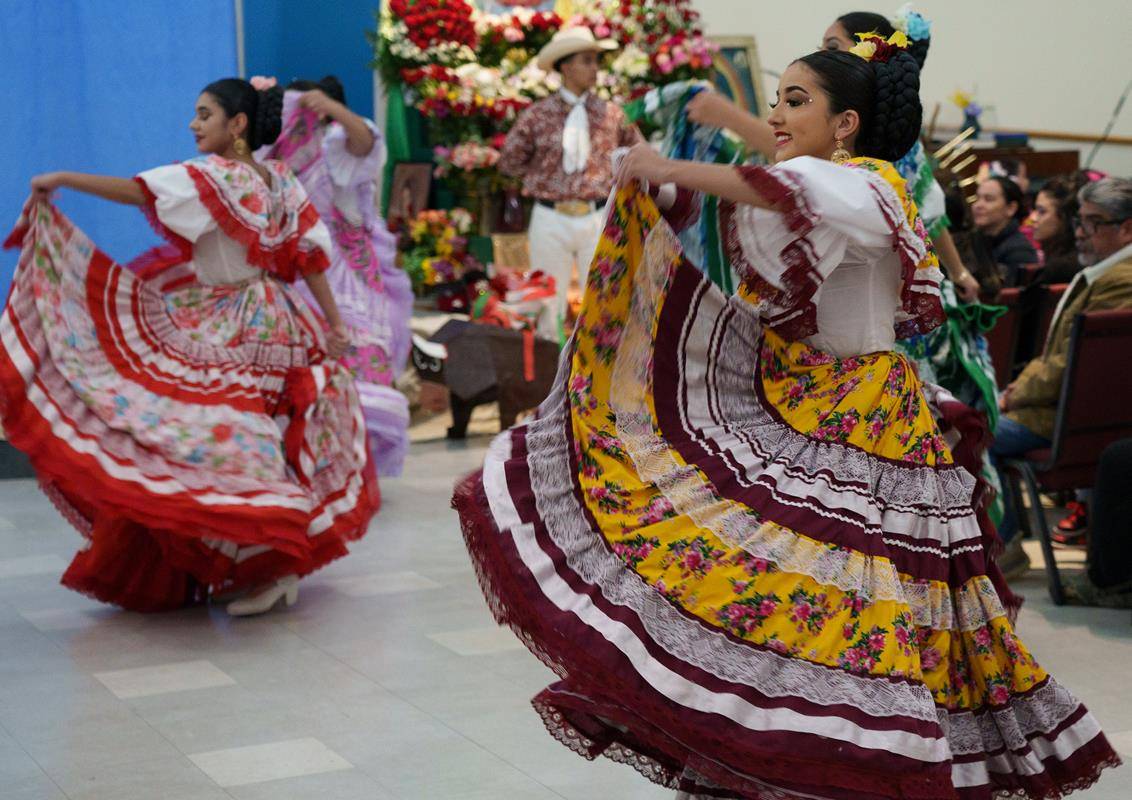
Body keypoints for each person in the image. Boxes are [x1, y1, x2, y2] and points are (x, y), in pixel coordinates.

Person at [453, 36, 1118, 799]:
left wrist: (669, 167)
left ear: (847, 123)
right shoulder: (832, 182)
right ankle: (791, 758)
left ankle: (862, 760)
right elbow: (754, 197)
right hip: (806, 397)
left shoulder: (867, 186)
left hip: (867, 420)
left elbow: (776, 190)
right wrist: (662, 184)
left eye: (794, 101)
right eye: (776, 100)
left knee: (853, 598)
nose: (776, 114)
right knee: (778, 581)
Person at [1, 78, 379, 615]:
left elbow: (140, 191)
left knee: (218, 440)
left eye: (205, 114)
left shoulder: (218, 175)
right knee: (256, 441)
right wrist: (334, 325)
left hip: (235, 320)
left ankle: (270, 566)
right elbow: (310, 258)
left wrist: (64, 178)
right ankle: (263, 563)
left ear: (238, 124)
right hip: (278, 319)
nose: (194, 124)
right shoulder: (279, 180)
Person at [258, 75, 414, 477]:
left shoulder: (340, 146)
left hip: (347, 278)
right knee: (303, 366)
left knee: (356, 359)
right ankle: (311, 455)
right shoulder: (279, 154)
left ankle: (350, 459)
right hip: (296, 274)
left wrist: (333, 110)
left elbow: (363, 139)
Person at [992, 177, 1132, 576]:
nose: (1081, 234)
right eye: (1080, 223)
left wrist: (1012, 394)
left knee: (964, 429)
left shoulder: (1120, 280)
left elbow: (1067, 364)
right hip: (1079, 414)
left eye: (1092, 224)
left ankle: (1003, 544)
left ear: (1126, 227)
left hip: (1070, 422)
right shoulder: (1107, 273)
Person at [498, 26, 643, 334]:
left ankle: (598, 377)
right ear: (565, 66)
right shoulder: (537, 115)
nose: (594, 68)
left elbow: (640, 155)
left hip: (598, 214)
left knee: (605, 300)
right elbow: (509, 161)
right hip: (551, 216)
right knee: (547, 304)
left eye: (596, 61)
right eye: (587, 61)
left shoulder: (612, 114)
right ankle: (550, 375)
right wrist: (542, 176)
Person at [971, 175, 1039, 287]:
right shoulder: (974, 240)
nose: (978, 205)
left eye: (988, 199)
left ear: (1011, 208)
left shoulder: (1020, 251)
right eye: (977, 198)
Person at [1030, 174, 1087, 285]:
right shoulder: (1081, 258)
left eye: (1042, 211)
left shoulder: (1059, 269)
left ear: (1065, 218)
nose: (1032, 218)